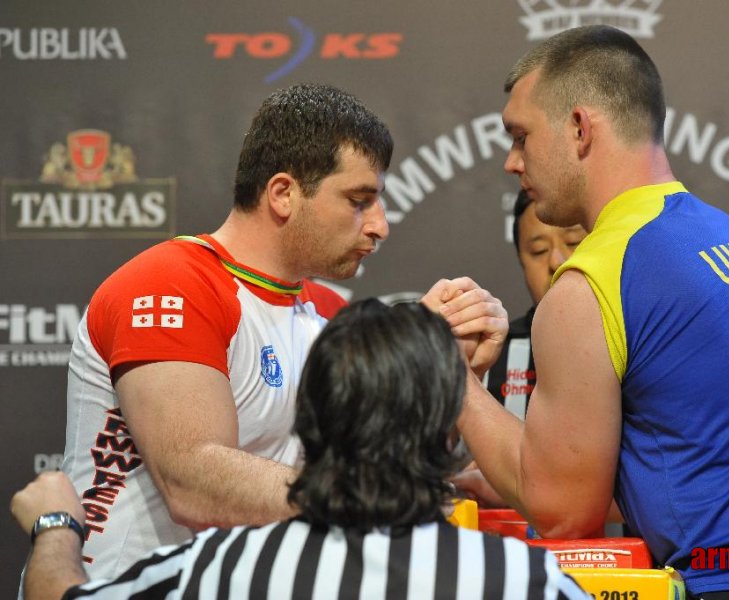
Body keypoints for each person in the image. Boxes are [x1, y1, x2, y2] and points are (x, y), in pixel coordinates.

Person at [449, 25, 729, 599]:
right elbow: (711, 462)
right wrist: (509, 481)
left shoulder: (592, 280)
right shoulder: (728, 236)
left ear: (580, 129)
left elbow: (563, 511)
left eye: (521, 136)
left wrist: (450, 376)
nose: (513, 162)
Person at [55, 83, 507, 581]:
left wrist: (448, 370)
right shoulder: (172, 284)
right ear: (284, 193)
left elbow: (406, 463)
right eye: (360, 200)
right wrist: (366, 504)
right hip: (124, 585)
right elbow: (192, 483)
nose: (380, 225)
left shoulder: (332, 314)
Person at [12, 300, 588, 600]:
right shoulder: (524, 580)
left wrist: (57, 524)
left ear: (309, 421)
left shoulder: (222, 568)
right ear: (446, 434)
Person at [485, 189, 586, 418]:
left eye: (574, 242)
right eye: (539, 250)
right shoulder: (490, 357)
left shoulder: (644, 346)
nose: (557, 261)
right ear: (521, 261)